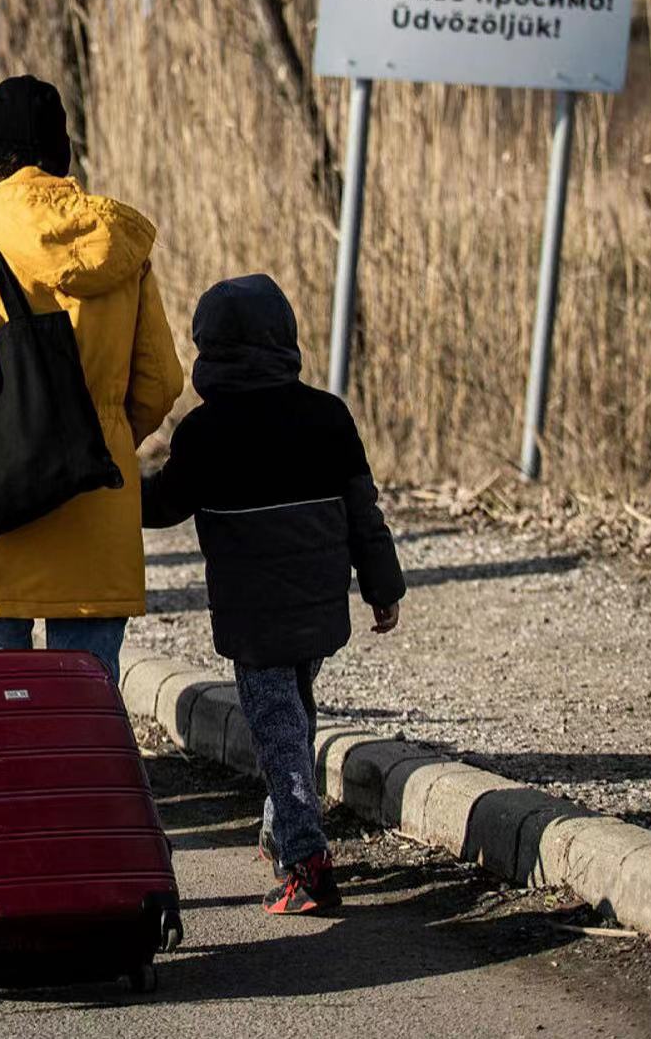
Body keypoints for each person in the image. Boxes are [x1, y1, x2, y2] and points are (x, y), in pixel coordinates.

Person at [142, 274, 406, 916]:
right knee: (296, 712)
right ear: (284, 338)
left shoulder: (206, 432)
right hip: (318, 606)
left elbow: (164, 506)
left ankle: (307, 863)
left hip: (254, 616)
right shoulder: (328, 415)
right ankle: (279, 828)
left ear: (208, 351)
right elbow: (362, 511)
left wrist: (114, 479)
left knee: (277, 728)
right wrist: (382, 586)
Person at [0, 75, 184, 687]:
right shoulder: (118, 240)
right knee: (84, 708)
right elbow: (162, 380)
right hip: (99, 502)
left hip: (4, 509)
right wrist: (101, 435)